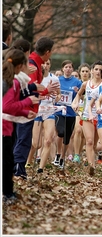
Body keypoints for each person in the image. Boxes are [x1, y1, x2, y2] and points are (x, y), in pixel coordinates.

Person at [13, 36, 59, 179]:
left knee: (23, 138)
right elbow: (28, 88)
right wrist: (45, 91)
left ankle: (18, 167)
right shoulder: (32, 64)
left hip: (28, 108)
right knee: (24, 139)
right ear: (46, 52)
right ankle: (18, 168)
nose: (51, 55)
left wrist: (46, 91)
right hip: (25, 109)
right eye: (51, 52)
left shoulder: (36, 62)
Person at [3, 48, 40, 204]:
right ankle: (8, 194)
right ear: (20, 67)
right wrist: (28, 102)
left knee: (8, 161)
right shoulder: (13, 82)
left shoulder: (11, 80)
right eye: (26, 64)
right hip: (4, 128)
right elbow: (6, 106)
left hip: (7, 127)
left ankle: (8, 192)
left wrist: (26, 113)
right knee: (7, 163)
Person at [72, 60, 102, 175]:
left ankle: (92, 160)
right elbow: (78, 95)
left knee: (95, 145)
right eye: (96, 69)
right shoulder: (86, 84)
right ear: (92, 71)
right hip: (87, 115)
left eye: (100, 70)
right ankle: (92, 166)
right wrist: (75, 103)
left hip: (100, 116)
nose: (98, 72)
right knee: (89, 141)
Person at [52, 60, 82, 170]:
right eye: (66, 67)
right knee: (60, 132)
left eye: (70, 67)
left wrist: (78, 93)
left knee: (67, 138)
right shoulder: (58, 80)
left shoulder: (77, 82)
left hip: (70, 113)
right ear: (62, 69)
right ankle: (58, 154)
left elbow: (82, 97)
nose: (68, 69)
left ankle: (62, 158)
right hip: (59, 111)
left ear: (72, 69)